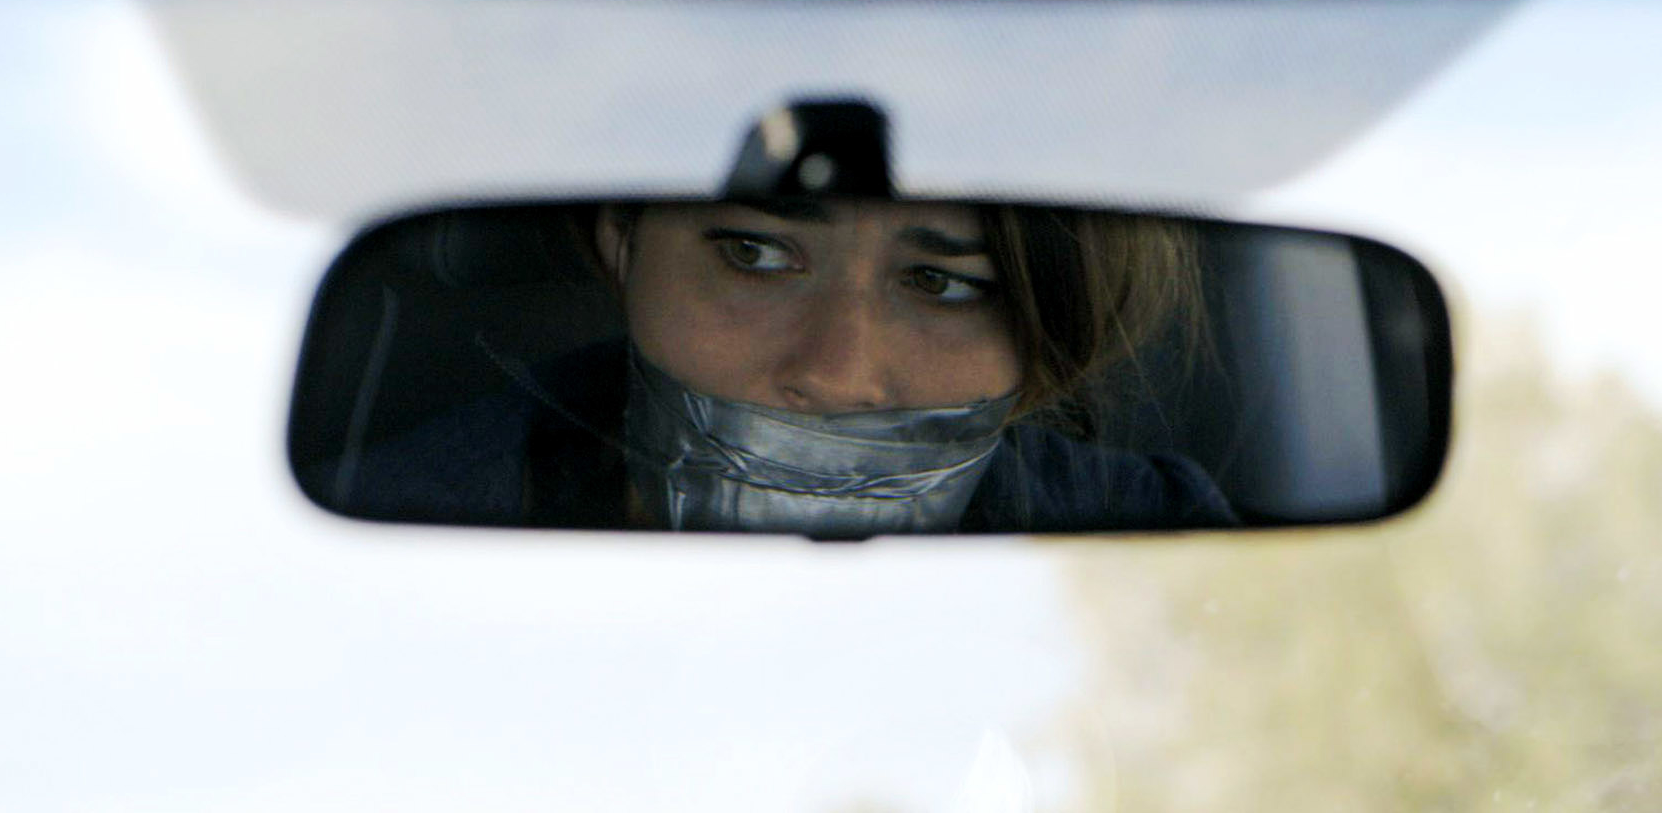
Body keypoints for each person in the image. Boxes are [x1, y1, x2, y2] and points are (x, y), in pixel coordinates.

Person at [333, 198, 1235, 535]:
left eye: (943, 282)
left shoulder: (1153, 536)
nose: (838, 376)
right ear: (621, 241)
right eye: (757, 254)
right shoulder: (402, 530)